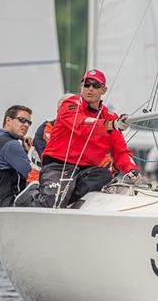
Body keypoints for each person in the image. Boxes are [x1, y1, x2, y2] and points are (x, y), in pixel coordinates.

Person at [18, 69, 140, 208]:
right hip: (58, 165)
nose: (90, 89)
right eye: (86, 84)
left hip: (84, 169)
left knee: (104, 175)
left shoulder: (110, 117)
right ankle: (30, 196)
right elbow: (82, 125)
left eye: (96, 86)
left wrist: (131, 169)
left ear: (104, 90)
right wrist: (112, 125)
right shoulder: (70, 105)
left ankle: (65, 197)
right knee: (54, 202)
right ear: (81, 87)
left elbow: (121, 152)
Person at [0, 105, 35, 207]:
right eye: (22, 120)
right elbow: (32, 175)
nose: (26, 125)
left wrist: (24, 152)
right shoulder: (11, 144)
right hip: (15, 206)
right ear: (8, 120)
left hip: (3, 207)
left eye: (29, 122)